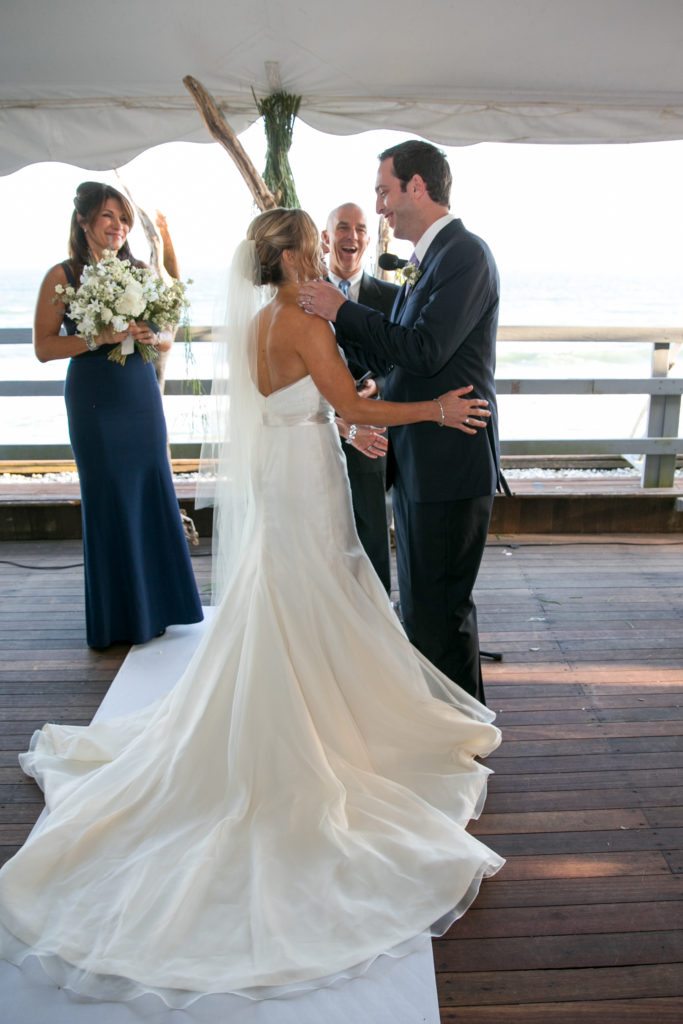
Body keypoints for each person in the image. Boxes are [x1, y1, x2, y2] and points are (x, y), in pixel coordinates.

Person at [0, 208, 503, 1007]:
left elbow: (305, 401)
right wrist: (431, 412)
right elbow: (354, 402)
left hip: (286, 471)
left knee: (296, 595)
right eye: (313, 239)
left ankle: (317, 709)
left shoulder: (261, 322)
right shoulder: (303, 318)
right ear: (298, 253)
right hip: (305, 479)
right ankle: (322, 733)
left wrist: (344, 417)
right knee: (321, 590)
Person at [299, 141, 501, 705]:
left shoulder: (465, 254)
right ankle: (452, 726)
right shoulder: (431, 259)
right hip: (419, 459)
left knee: (440, 612)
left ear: (417, 187)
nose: (381, 207)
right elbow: (415, 361)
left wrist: (342, 311)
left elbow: (427, 348)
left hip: (450, 461)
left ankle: (464, 739)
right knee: (421, 609)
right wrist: (379, 386)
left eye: (384, 192)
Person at [33, 181, 203, 648]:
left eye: (123, 218)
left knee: (152, 490)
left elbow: (168, 334)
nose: (118, 226)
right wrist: (97, 338)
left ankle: (162, 609)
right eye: (108, 216)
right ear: (84, 221)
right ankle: (119, 617)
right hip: (94, 398)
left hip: (138, 392)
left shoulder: (142, 270)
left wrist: (152, 336)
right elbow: (44, 347)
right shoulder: (62, 275)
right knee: (109, 495)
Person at [323, 201, 398, 592]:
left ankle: (376, 613)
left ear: (369, 239)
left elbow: (405, 361)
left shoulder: (391, 296)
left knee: (370, 528)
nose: (351, 235)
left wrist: (378, 388)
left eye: (360, 228)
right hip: (315, 429)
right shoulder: (303, 294)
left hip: (369, 430)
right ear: (325, 237)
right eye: (343, 227)